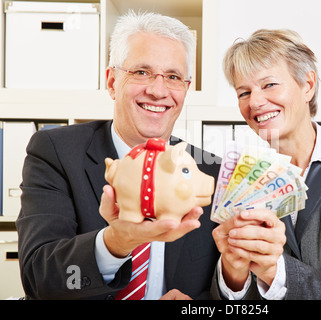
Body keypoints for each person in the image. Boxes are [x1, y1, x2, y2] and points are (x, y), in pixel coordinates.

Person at [16, 11, 220, 300]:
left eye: (173, 77)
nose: (158, 90)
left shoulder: (210, 172)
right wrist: (114, 243)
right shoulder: (55, 151)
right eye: (141, 72)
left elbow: (222, 290)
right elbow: (40, 281)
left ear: (186, 90)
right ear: (112, 82)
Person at [211, 29, 321, 299]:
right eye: (243, 92)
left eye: (269, 85)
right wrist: (231, 273)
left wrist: (274, 269)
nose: (256, 102)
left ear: (307, 85)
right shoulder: (239, 181)